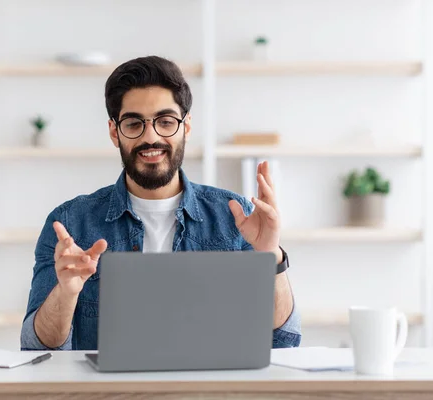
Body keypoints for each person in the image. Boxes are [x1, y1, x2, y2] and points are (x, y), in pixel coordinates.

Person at [21, 55, 301, 351]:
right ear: (115, 132)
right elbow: (36, 348)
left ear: (186, 127)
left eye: (165, 121)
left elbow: (284, 343)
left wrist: (271, 255)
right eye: (133, 123)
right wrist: (66, 293)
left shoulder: (236, 218)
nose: (151, 137)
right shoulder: (70, 223)